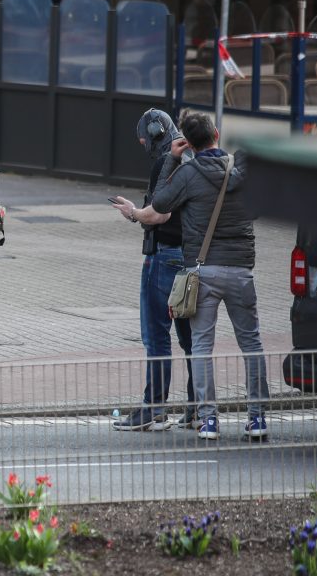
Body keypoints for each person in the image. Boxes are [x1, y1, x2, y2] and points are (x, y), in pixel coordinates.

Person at [113, 112, 268, 441]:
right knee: (252, 344)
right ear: (216, 133)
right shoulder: (239, 170)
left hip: (203, 270)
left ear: (188, 142)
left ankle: (208, 420)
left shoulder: (189, 172)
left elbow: (160, 204)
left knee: (200, 347)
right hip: (241, 269)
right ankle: (257, 418)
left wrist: (172, 159)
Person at [111, 109, 196, 432]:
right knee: (191, 339)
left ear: (156, 132)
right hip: (188, 259)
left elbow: (159, 213)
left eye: (144, 138)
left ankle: (153, 409)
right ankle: (197, 409)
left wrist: (133, 213)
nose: (143, 143)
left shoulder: (166, 163)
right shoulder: (190, 160)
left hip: (163, 257)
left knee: (156, 336)